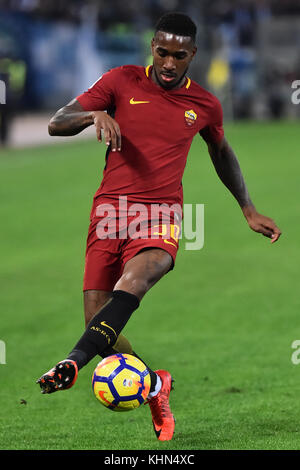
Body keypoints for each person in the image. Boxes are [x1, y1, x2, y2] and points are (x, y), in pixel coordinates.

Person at [36, 12, 281, 442]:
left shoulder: (204, 104)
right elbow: (57, 122)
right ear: (152, 46)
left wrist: (247, 207)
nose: (169, 63)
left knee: (139, 277)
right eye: (163, 52)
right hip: (109, 212)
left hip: (161, 214)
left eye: (179, 56)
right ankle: (153, 386)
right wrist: (94, 118)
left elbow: (222, 153)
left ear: (193, 55)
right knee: (101, 327)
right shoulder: (120, 81)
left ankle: (72, 362)